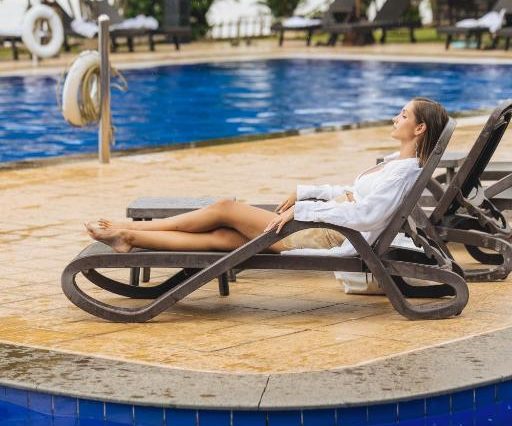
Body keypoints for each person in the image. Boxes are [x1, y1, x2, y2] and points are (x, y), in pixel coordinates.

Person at [85, 97, 449, 256]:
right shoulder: (396, 163)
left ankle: (125, 228)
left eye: (403, 115)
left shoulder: (402, 173)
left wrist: (303, 210)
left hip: (324, 234)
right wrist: (305, 192)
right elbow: (353, 193)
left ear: (419, 129)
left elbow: (366, 215)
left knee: (225, 208)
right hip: (325, 224)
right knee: (224, 238)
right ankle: (129, 237)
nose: (395, 118)